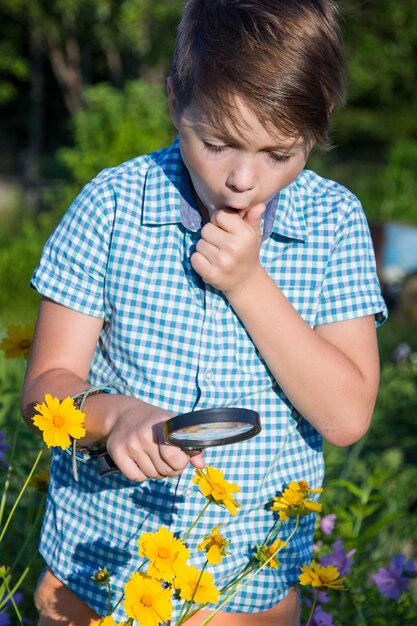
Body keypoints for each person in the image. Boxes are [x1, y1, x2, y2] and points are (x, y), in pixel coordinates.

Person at [21, 1, 387, 624]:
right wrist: (116, 417)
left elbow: (348, 415)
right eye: (217, 143)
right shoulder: (111, 207)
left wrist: (249, 284)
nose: (243, 178)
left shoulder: (335, 222)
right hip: (100, 568)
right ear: (174, 104)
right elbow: (44, 390)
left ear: (318, 124)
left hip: (248, 583)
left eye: (278, 153)